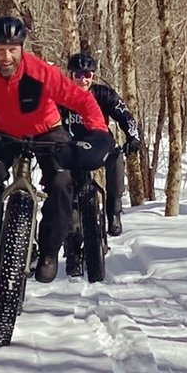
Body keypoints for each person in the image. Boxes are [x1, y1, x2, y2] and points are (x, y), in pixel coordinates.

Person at [0, 16, 114, 283]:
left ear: (22, 48)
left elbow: (82, 100)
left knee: (61, 183)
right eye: (0, 50)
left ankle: (48, 252)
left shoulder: (40, 72)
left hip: (48, 131)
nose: (6, 57)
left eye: (12, 49)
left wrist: (97, 132)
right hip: (4, 133)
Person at [62, 52, 143, 245]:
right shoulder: (61, 96)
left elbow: (125, 116)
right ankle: (67, 223)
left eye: (87, 75)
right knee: (59, 178)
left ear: (93, 75)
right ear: (70, 75)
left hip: (99, 146)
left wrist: (134, 137)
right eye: (78, 75)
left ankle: (113, 210)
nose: (83, 80)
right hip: (70, 148)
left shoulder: (104, 95)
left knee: (115, 158)